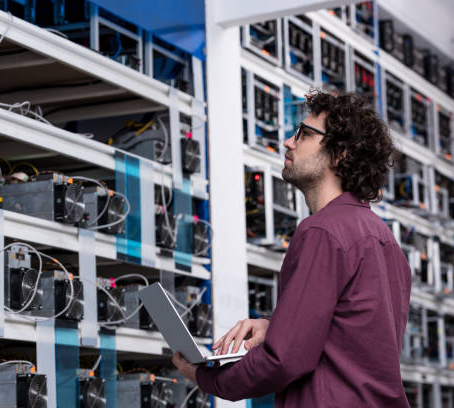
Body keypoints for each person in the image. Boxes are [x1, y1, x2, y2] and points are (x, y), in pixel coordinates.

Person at [172, 90, 411, 407]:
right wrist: (278, 327)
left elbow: (283, 360)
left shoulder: (322, 231)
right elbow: (352, 336)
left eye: (305, 134)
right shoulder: (384, 239)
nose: (288, 141)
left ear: (340, 154)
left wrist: (204, 376)